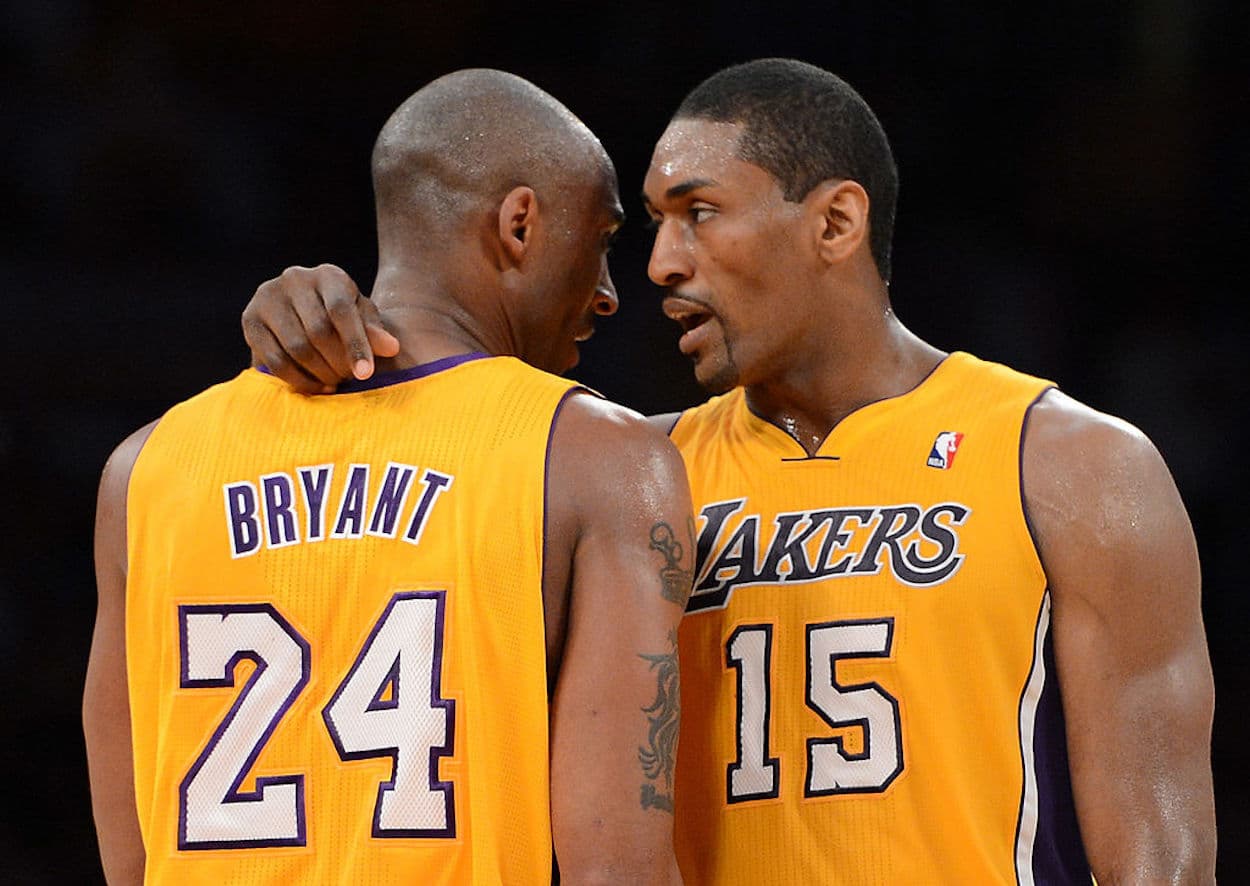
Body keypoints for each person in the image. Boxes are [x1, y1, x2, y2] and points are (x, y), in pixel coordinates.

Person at [240, 59, 1217, 884]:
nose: (658, 264)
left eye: (697, 213)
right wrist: (326, 328)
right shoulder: (627, 472)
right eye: (652, 226)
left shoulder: (1067, 463)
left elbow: (1160, 856)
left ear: (833, 224)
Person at [83, 69, 692, 885]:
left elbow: (131, 861)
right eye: (603, 239)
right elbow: (614, 872)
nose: (612, 292)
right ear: (519, 225)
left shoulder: (143, 469)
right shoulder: (598, 458)